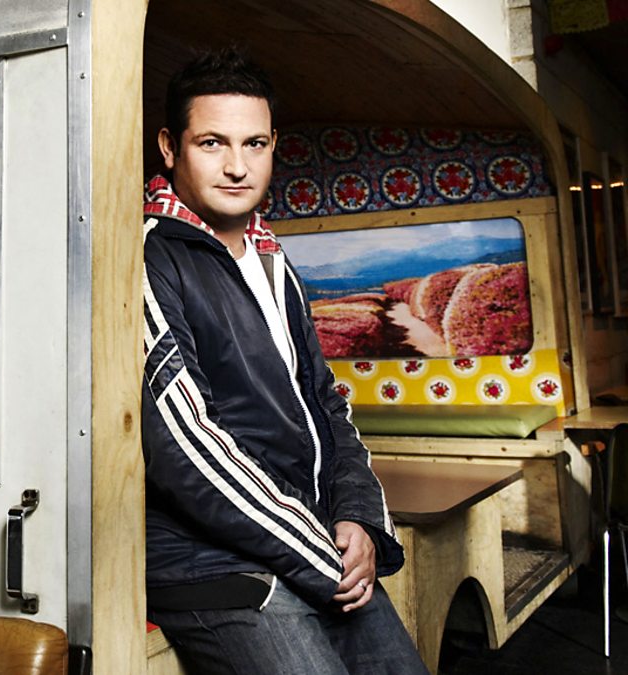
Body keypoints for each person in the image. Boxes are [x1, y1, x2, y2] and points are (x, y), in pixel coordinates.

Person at [141, 48, 429, 674]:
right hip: (210, 566)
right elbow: (183, 446)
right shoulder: (148, 257)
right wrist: (320, 555)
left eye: (255, 144)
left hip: (310, 544)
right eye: (212, 143)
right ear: (169, 147)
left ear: (273, 146)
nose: (237, 166)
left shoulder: (273, 259)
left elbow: (325, 401)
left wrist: (357, 518)